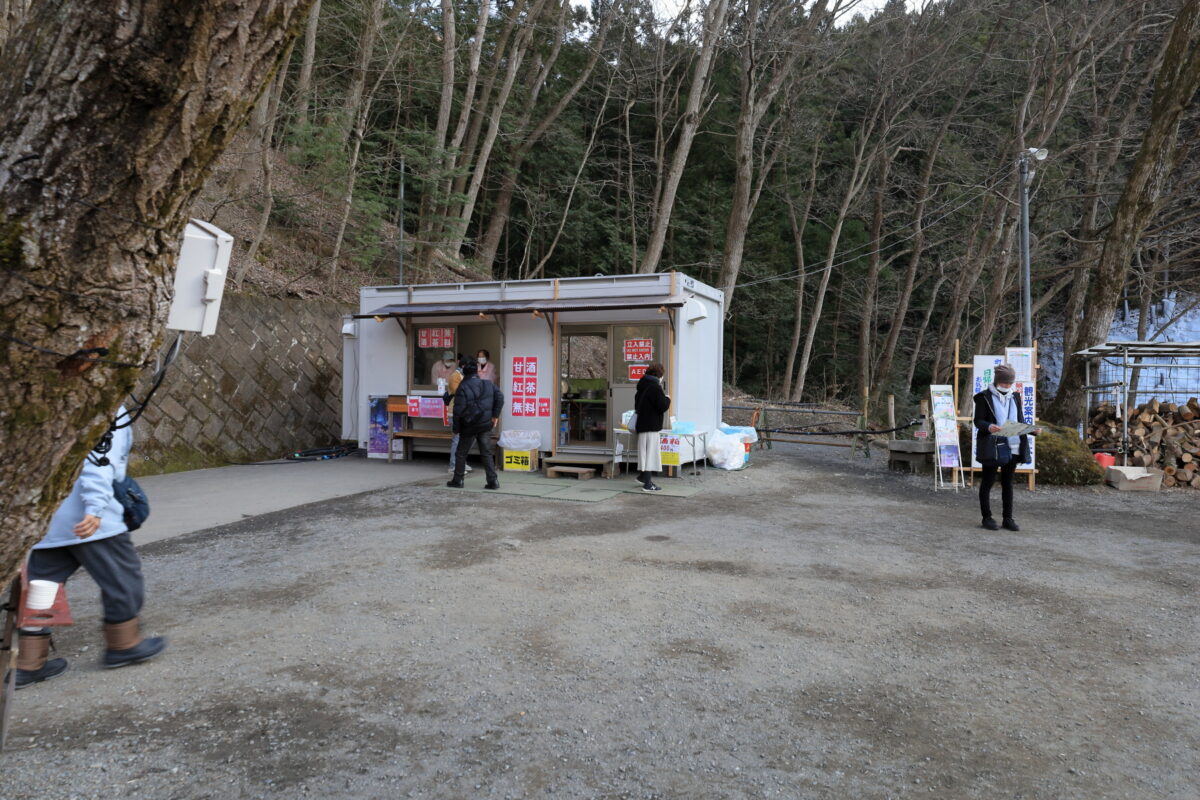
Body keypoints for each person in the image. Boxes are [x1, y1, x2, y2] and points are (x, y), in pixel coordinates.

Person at [16, 410, 167, 689]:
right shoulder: (105, 405)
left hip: (49, 520)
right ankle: (124, 644)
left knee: (42, 587)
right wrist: (95, 508)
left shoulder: (48, 400)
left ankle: (28, 663)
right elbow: (100, 460)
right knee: (123, 579)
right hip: (92, 522)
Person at [972, 363, 1041, 531]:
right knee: (988, 481)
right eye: (1004, 383)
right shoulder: (983, 397)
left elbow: (1019, 420)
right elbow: (978, 421)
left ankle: (1008, 518)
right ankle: (987, 517)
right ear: (997, 381)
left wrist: (1032, 430)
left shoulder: (1015, 396)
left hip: (1013, 444)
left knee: (1008, 483)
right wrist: (989, 427)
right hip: (993, 444)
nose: (1007, 386)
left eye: (1010, 383)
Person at [445, 359, 503, 490]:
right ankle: (493, 482)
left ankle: (458, 480)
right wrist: (495, 415)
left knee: (461, 453)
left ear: (464, 373)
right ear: (476, 372)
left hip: (469, 425)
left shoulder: (463, 387)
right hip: (485, 424)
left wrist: (456, 428)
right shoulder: (488, 384)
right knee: (486, 453)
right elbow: (500, 397)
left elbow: (458, 411)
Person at [634, 363, 671, 493]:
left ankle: (643, 477)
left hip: (642, 424)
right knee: (650, 453)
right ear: (659, 375)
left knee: (644, 452)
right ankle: (648, 484)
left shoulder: (641, 386)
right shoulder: (655, 387)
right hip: (651, 425)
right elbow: (662, 406)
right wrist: (667, 399)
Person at [443, 358, 472, 475]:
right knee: (457, 439)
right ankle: (453, 466)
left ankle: (461, 462)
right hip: (454, 412)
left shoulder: (465, 376)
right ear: (464, 366)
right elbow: (458, 391)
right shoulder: (455, 376)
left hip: (464, 411)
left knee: (465, 439)